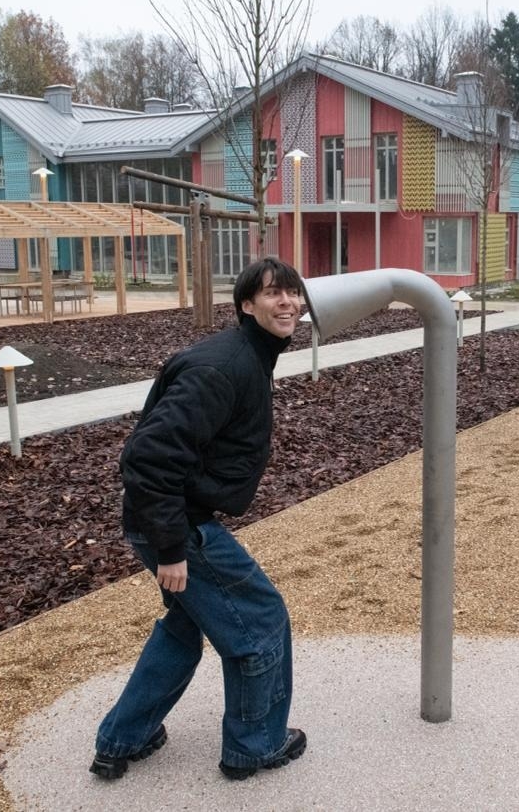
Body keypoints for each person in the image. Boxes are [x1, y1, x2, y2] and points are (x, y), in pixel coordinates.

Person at [90, 257, 308, 782]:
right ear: (245, 305)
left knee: (186, 627)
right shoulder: (223, 368)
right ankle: (254, 747)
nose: (288, 303)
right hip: (176, 523)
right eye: (273, 294)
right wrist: (171, 549)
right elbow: (148, 458)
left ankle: (123, 739)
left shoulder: (248, 356)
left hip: (172, 515)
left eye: (294, 294)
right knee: (260, 621)